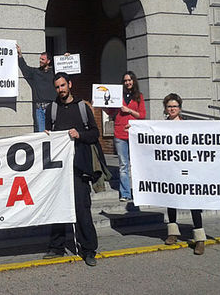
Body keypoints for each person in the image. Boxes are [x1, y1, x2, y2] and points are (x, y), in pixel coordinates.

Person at [43, 72, 99, 266]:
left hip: (79, 166)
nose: (61, 90)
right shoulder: (52, 108)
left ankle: (89, 249)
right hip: (58, 168)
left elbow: (94, 133)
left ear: (70, 84)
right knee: (57, 207)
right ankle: (56, 247)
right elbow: (48, 135)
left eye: (63, 86)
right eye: (57, 87)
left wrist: (80, 135)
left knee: (82, 208)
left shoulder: (83, 107)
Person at [162, 93, 206, 254]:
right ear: (165, 109)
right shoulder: (160, 126)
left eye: (175, 106)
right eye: (169, 106)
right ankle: (172, 233)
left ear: (179, 108)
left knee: (193, 202)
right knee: (171, 200)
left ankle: (199, 238)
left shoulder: (189, 125)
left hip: (188, 169)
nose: (172, 109)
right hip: (171, 169)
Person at [104, 71, 146, 202]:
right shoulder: (117, 95)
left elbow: (142, 115)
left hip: (133, 134)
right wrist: (101, 105)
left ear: (134, 81)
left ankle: (139, 192)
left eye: (130, 80)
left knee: (136, 164)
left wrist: (129, 111)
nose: (127, 82)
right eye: (125, 80)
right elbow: (110, 111)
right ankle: (125, 193)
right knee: (123, 165)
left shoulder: (139, 96)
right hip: (120, 133)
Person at [16, 44, 56, 132]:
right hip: (39, 109)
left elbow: (66, 75)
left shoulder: (54, 72)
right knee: (41, 133)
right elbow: (24, 68)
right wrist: (20, 55)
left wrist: (66, 58)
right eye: (40, 59)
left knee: (53, 132)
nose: (40, 61)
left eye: (42, 59)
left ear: (48, 61)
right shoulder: (35, 72)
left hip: (51, 108)